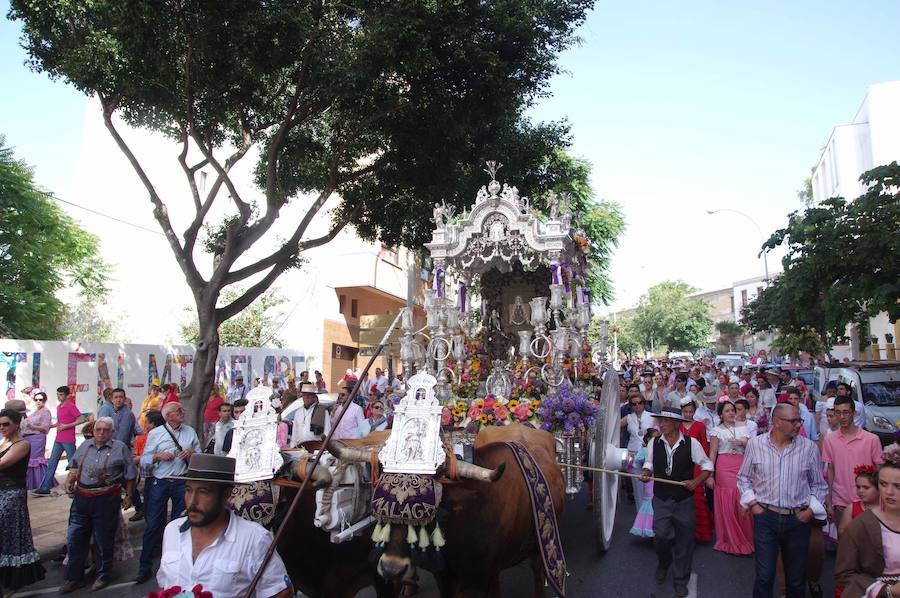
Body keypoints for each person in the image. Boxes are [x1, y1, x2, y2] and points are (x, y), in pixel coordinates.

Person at [155, 454, 292, 597]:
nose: (192, 501)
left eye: (203, 492)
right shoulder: (172, 531)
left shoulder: (254, 538)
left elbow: (282, 592)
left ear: (226, 494)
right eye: (188, 490)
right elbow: (164, 584)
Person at [737, 403, 828, 598]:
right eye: (793, 421)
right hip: (765, 518)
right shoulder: (756, 444)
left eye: (799, 420)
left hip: (797, 521)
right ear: (777, 422)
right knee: (764, 577)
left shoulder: (809, 448)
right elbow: (743, 478)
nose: (798, 425)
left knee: (796, 580)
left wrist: (809, 512)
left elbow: (819, 485)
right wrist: (753, 504)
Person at [639, 407, 714, 598]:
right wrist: (647, 473)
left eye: (665, 421)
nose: (661, 424)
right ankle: (664, 562)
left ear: (676, 424)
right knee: (661, 535)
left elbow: (707, 466)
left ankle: (681, 580)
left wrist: (696, 482)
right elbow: (649, 463)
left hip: (684, 500)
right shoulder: (654, 442)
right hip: (662, 498)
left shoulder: (692, 444)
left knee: (685, 542)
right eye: (660, 421)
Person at [59, 417, 136, 592]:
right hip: (82, 499)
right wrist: (69, 482)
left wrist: (129, 496)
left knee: (103, 539)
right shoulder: (85, 446)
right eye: (98, 429)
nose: (101, 433)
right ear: (93, 430)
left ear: (112, 432)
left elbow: (130, 474)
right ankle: (74, 577)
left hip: (106, 499)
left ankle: (103, 575)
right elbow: (74, 466)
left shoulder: (120, 448)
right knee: (75, 539)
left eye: (105, 430)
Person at [133, 402, 201, 585]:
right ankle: (144, 567)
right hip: (160, 482)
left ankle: (178, 566)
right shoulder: (155, 434)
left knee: (179, 524)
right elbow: (145, 460)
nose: (182, 412)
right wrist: (157, 456)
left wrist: (192, 453)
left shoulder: (189, 431)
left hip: (181, 482)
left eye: (182, 409)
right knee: (154, 524)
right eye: (179, 411)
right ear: (168, 415)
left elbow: (199, 455)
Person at [835, 456, 900, 598]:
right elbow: (844, 574)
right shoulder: (862, 524)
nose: (889, 492)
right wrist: (887, 590)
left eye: (898, 486)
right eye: (883, 484)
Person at [0, 408, 46, 594]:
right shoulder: (4, 443)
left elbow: (2, 464)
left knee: (10, 535)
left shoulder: (22, 444)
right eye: (0, 424)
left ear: (17, 424)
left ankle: (11, 581)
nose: (2, 428)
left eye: (6, 424)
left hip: (12, 495)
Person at [824, 396, 884, 523]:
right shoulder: (830, 440)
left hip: (867, 502)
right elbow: (830, 470)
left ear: (854, 413)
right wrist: (829, 500)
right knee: (844, 540)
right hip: (840, 501)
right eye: (838, 412)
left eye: (846, 412)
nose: (842, 416)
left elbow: (880, 471)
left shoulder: (872, 440)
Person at [708, 401, 754, 555]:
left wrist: (741, 442)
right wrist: (709, 475)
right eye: (727, 411)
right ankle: (730, 538)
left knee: (742, 497)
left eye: (732, 410)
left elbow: (752, 447)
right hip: (724, 466)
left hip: (741, 463)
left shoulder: (744, 427)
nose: (731, 413)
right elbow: (713, 453)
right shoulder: (716, 430)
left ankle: (745, 537)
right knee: (728, 499)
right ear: (721, 414)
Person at [33, 386, 86, 495]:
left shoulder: (71, 406)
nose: (59, 396)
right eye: (58, 394)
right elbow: (60, 422)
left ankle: (79, 485)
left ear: (67, 395)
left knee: (73, 464)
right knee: (52, 462)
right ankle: (45, 487)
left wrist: (67, 426)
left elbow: (81, 419)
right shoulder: (58, 407)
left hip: (69, 439)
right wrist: (50, 426)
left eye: (61, 394)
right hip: (59, 439)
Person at [622, 384, 656, 509]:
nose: (637, 406)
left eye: (639, 403)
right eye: (634, 404)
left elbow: (658, 432)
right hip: (633, 453)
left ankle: (650, 512)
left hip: (649, 453)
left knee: (650, 483)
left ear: (644, 403)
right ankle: (640, 513)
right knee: (636, 484)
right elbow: (613, 427)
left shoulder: (652, 417)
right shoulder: (628, 418)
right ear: (630, 406)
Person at [630, 428, 659, 538]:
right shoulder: (644, 450)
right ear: (648, 439)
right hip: (649, 481)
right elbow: (637, 461)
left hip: (658, 480)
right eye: (654, 438)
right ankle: (648, 528)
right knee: (649, 502)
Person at [20, 393, 51, 490]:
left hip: (37, 438)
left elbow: (45, 428)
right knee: (29, 461)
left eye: (40, 400)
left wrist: (32, 426)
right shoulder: (35, 411)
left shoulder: (46, 412)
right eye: (36, 399)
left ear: (45, 400)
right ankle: (31, 482)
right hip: (27, 437)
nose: (38, 401)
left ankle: (40, 483)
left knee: (35, 461)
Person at [838, 465, 880, 536]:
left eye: (866, 488)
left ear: (879, 489)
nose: (860, 491)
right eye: (858, 487)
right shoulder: (851, 508)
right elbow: (841, 531)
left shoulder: (886, 509)